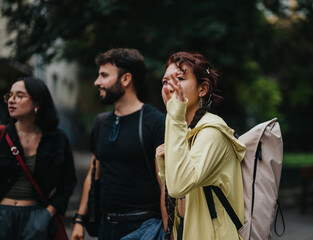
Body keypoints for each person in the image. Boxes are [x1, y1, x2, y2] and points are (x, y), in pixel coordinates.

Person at [71, 48, 166, 240]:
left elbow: (165, 183)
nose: (97, 82)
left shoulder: (156, 122)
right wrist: (79, 221)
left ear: (125, 79)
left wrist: (168, 232)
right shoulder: (101, 122)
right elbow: (93, 172)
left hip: (144, 227)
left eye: (104, 75)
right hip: (106, 228)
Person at [156, 52, 246, 240]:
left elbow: (179, 185)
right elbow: (176, 198)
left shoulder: (211, 132)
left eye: (179, 79)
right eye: (165, 82)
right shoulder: (184, 131)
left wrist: (175, 116)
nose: (170, 87)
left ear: (202, 89)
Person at [0, 77, 77, 239]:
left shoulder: (57, 139)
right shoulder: (1, 135)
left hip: (37, 215)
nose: (11, 101)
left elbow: (68, 181)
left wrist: (49, 212)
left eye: (19, 96)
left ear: (37, 103)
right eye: (10, 96)